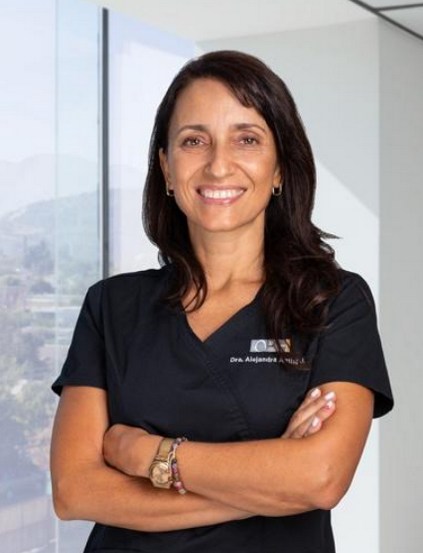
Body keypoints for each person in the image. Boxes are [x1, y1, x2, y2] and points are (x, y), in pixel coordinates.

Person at [49, 50, 394, 553]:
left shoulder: (332, 302)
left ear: (280, 168)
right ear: (167, 169)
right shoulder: (111, 306)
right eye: (194, 141)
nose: (218, 164)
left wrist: (151, 455)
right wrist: (273, 484)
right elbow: (75, 491)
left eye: (246, 139)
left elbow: (321, 478)